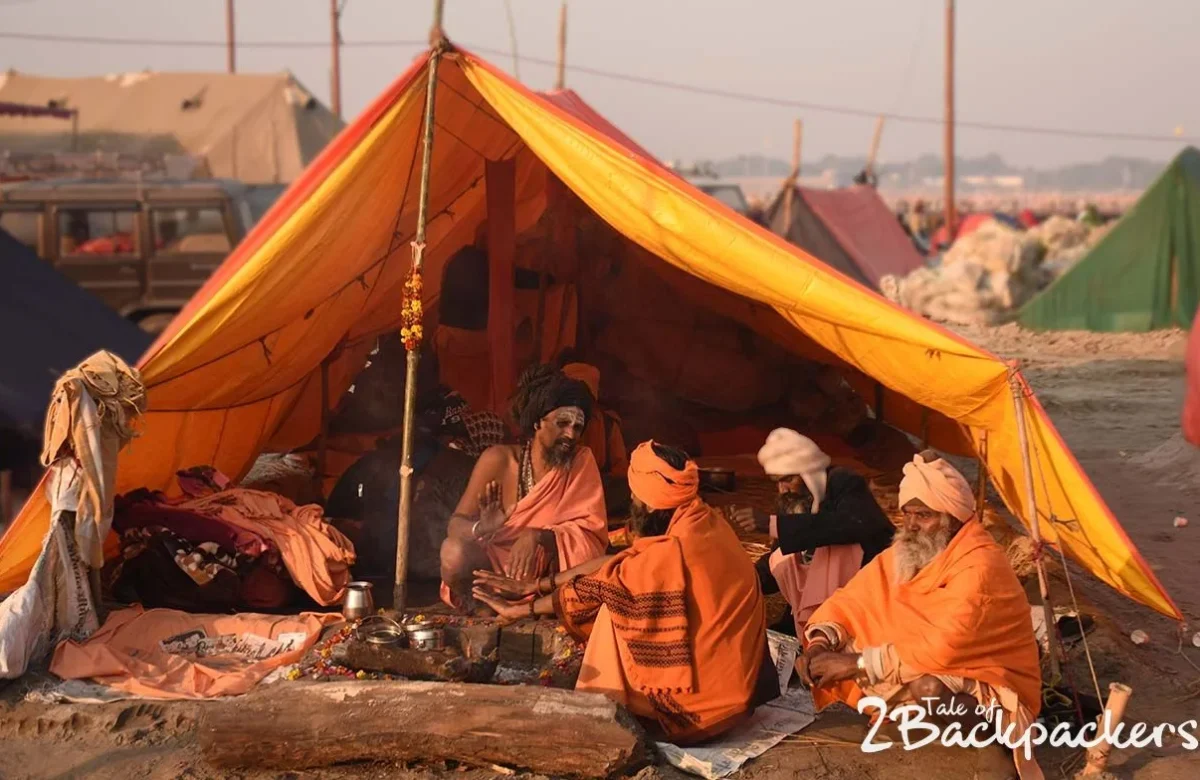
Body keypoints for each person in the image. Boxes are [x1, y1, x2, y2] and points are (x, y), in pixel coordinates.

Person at [473, 441, 778, 744]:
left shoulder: (666, 555)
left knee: (610, 612)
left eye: (634, 494)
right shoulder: (704, 521)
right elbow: (621, 561)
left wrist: (521, 609)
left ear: (645, 503)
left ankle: (601, 710)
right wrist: (539, 585)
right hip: (740, 692)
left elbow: (596, 587)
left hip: (703, 709)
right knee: (615, 592)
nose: (630, 498)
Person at [796, 453, 1041, 778]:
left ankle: (992, 740)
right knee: (841, 641)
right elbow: (850, 602)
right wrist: (817, 646)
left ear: (953, 517)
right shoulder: (904, 552)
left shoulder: (981, 568)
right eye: (907, 514)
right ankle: (918, 720)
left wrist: (855, 664)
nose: (911, 526)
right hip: (918, 662)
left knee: (928, 688)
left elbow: (942, 649)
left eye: (924, 515)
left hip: (987, 679)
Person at [439, 364, 608, 610]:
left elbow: (590, 536)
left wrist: (538, 536)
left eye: (577, 427)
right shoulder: (498, 460)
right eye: (562, 423)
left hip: (548, 578)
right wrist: (481, 527)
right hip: (494, 568)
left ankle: (544, 604)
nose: (571, 435)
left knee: (596, 565)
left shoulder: (581, 461)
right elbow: (454, 527)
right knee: (452, 552)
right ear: (537, 422)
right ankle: (483, 607)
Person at [732, 429, 894, 634]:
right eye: (778, 482)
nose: (784, 489)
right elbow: (782, 554)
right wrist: (748, 581)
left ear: (807, 472)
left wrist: (772, 525)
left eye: (788, 479)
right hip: (813, 602)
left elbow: (849, 525)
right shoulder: (794, 501)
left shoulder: (843, 482)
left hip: (862, 595)